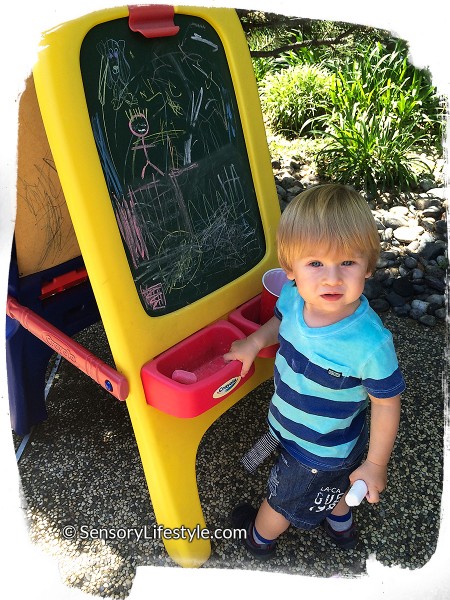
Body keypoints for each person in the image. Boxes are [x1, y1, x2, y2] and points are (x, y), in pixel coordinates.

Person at [224, 183, 405, 558]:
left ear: (368, 265)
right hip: (297, 426)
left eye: (348, 262)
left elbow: (387, 403)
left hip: (321, 449)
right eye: (316, 263)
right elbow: (280, 320)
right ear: (290, 269)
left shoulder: (369, 343)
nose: (331, 278)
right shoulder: (294, 296)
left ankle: (259, 540)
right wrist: (255, 342)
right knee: (336, 486)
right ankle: (341, 529)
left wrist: (375, 464)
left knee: (282, 501)